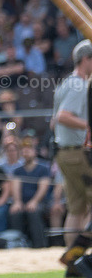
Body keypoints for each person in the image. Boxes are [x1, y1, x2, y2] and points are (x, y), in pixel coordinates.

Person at [53, 40, 92, 249]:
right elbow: (63, 116)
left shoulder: (66, 83)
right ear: (86, 59)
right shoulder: (79, 85)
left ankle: (73, 257)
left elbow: (53, 121)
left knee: (77, 208)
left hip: (64, 153)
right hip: (78, 154)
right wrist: (89, 125)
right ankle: (84, 254)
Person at [8, 138, 52, 248]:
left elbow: (43, 188)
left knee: (34, 211)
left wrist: (34, 202)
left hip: (40, 202)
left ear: (34, 151)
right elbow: (16, 187)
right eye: (23, 150)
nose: (25, 153)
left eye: (28, 150)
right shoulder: (18, 170)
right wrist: (17, 202)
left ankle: (40, 245)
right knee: (15, 212)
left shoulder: (43, 168)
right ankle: (18, 244)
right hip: (23, 202)